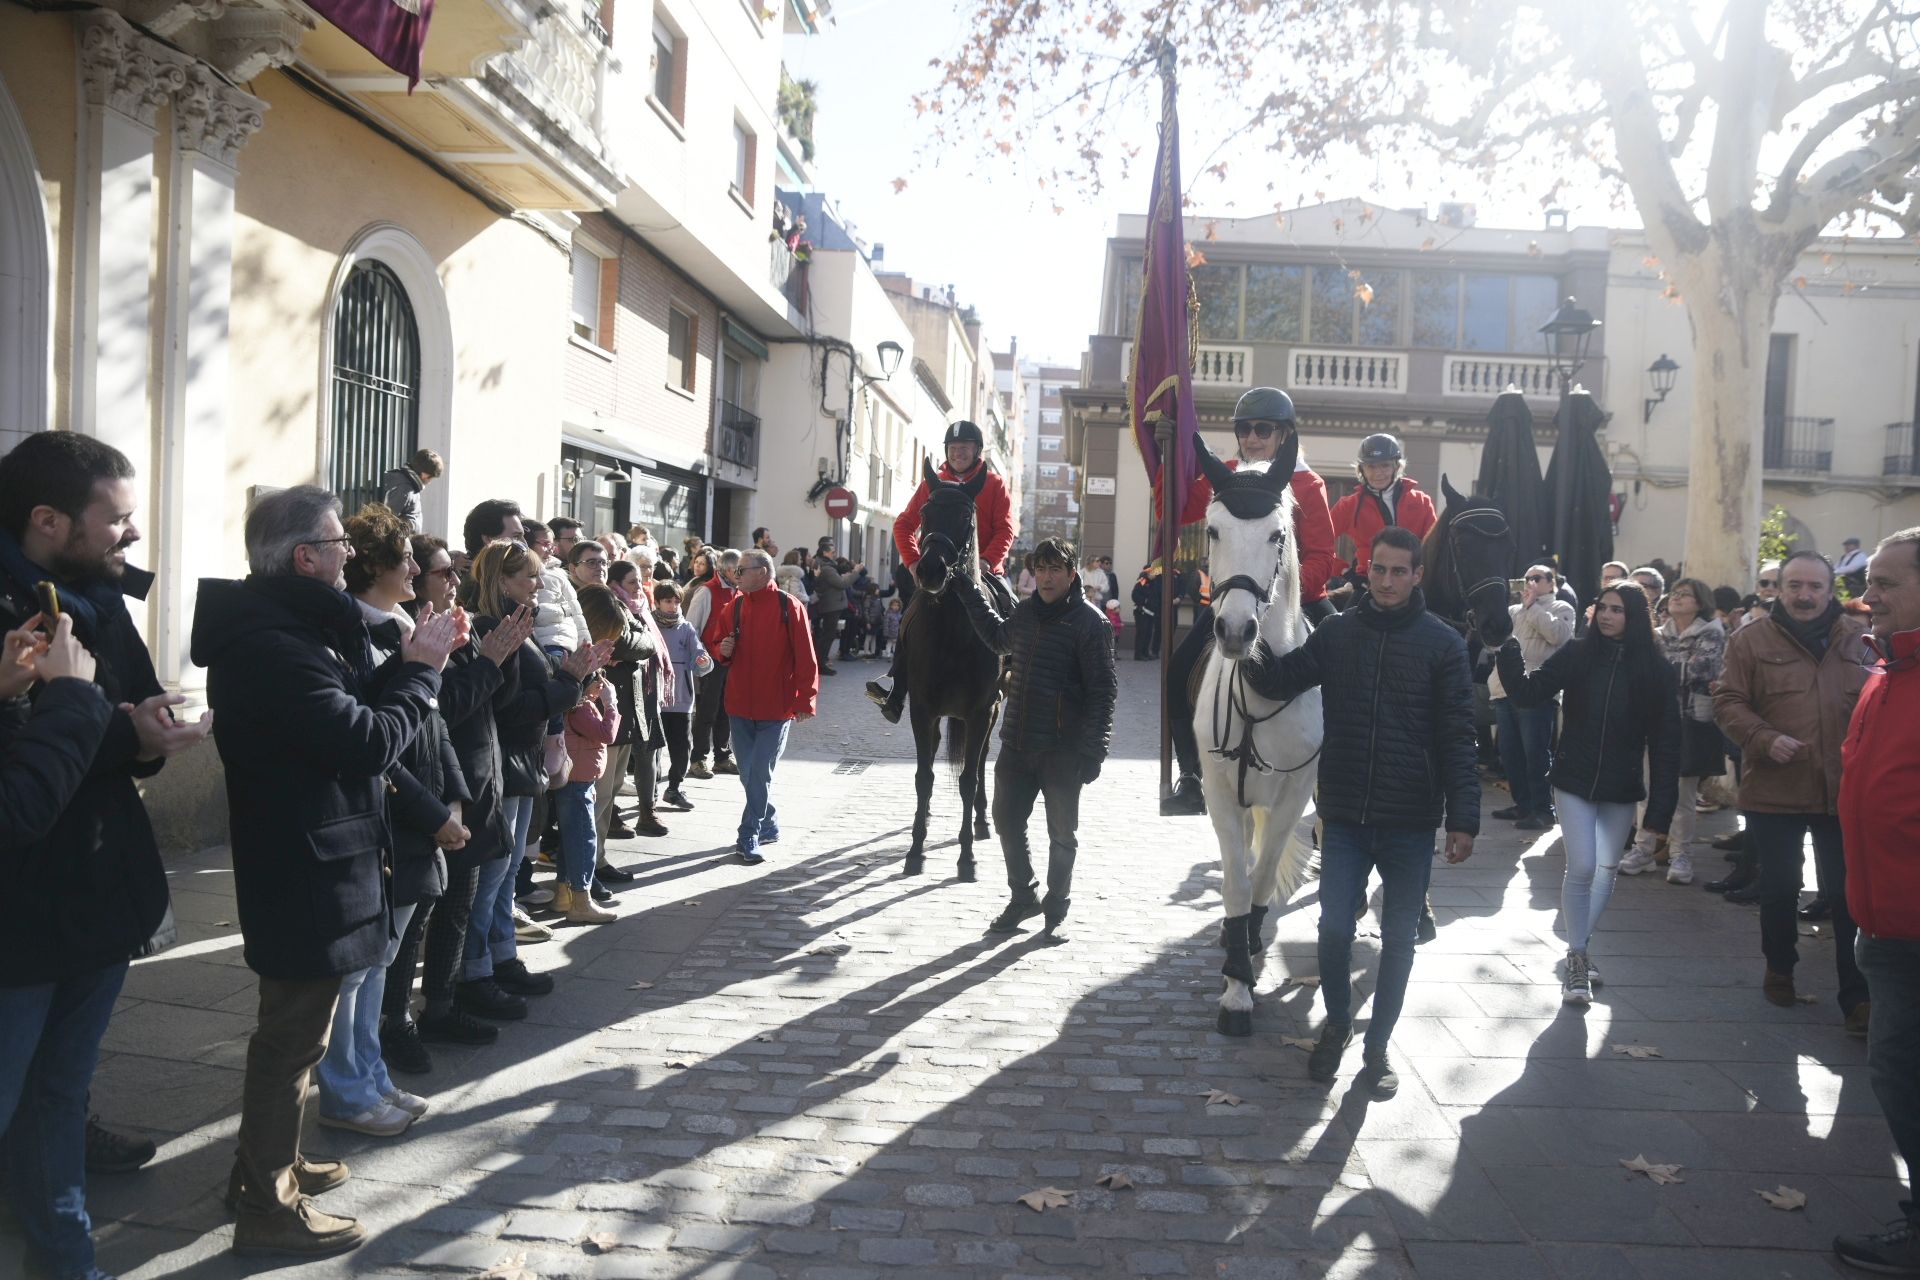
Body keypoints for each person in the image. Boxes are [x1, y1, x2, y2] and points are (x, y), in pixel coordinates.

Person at [192, 486, 458, 1257]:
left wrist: (408, 662)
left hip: (317, 858)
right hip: (302, 869)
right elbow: (367, 744)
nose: (350, 555)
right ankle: (266, 1207)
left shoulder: (295, 628)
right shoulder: (272, 644)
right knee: (289, 1041)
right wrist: (423, 674)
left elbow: (344, 709)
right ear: (306, 557)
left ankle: (270, 1167)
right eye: (340, 544)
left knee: (298, 1038)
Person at [0, 431, 212, 1277]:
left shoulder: (101, 593)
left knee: (60, 1095)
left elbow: (113, 711)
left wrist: (147, 733)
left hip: (97, 893)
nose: (131, 536)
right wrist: (84, 712)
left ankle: (68, 1260)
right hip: (21, 914)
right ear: (49, 520)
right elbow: (27, 775)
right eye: (117, 519)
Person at [1243, 527, 1476, 1098]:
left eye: (1401, 571)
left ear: (1417, 575)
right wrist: (1242, 643)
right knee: (1332, 930)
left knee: (1398, 939)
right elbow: (1283, 679)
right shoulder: (1338, 634)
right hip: (1344, 814)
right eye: (1380, 569)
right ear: (1366, 571)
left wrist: (1464, 818)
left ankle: (1377, 1049)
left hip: (1411, 820)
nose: (1389, 580)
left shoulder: (1443, 644)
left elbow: (1458, 736)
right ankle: (1339, 1026)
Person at [327, 505, 450, 1137]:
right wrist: (431, 812)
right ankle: (346, 1087)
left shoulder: (403, 625)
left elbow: (433, 727)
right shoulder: (364, 636)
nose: (414, 568)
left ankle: (369, 1075)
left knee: (381, 960)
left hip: (408, 820)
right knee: (357, 971)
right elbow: (379, 745)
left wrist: (450, 796)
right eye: (404, 558)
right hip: (387, 818)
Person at [1499, 583, 1680, 1003]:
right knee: (1582, 866)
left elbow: (1668, 743)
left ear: (1635, 617)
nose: (1607, 615)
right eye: (1603, 607)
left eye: (1617, 610)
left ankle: (1580, 946)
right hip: (1573, 778)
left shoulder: (1655, 669)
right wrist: (1505, 648)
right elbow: (1528, 693)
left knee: (1606, 869)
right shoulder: (1578, 654)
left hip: (1621, 787)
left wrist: (1660, 813)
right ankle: (1578, 957)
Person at [1714, 550, 1871, 1028]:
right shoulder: (1749, 640)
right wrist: (1764, 738)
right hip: (1775, 787)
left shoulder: (1862, 639)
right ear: (1779, 589)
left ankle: (1857, 997)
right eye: (1795, 585)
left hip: (1843, 788)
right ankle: (1780, 966)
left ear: (1831, 590)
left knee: (1848, 895)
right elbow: (1727, 700)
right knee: (1780, 887)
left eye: (1815, 587)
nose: (1805, 595)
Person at [1161, 389, 1336, 814]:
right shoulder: (1228, 477)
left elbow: (1323, 556)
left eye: (1263, 429)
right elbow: (1177, 508)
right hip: (1235, 599)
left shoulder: (1308, 484)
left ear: (1284, 434)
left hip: (1298, 601)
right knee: (1179, 671)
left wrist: (1279, 593)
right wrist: (1166, 456)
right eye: (1244, 429)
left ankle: (1330, 785)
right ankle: (1191, 776)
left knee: (1349, 672)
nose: (1252, 438)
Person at [400, 537, 532, 1066]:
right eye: (442, 573)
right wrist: (488, 660)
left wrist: (500, 654)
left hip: (478, 779)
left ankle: (444, 1001)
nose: (454, 581)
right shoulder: (412, 638)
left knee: (459, 906)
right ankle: (401, 1018)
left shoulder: (454, 630)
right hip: (444, 793)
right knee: (424, 917)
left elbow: (494, 702)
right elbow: (440, 711)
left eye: (455, 572)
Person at [463, 543, 604, 1021]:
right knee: (491, 878)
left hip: (522, 764)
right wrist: (567, 686)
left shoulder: (520, 627)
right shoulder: (492, 628)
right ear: (501, 582)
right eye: (529, 577)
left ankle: (501, 957)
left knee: (504, 878)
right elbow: (509, 707)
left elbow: (533, 694)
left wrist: (573, 680)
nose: (539, 585)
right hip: (502, 764)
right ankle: (476, 972)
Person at [1832, 527, 1920, 1274]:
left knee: (1903, 1070)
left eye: (1887, 583)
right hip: (1885, 922)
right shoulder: (1886, 671)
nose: (1869, 596)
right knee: (1897, 1071)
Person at [956, 540, 1116, 939]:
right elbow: (997, 638)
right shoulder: (1026, 612)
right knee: (1006, 821)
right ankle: (1023, 895)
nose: (1046, 577)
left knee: (1061, 833)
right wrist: (969, 591)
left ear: (1072, 574)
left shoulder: (1090, 624)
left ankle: (1056, 907)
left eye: (1055, 569)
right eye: (1040, 569)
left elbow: (1103, 691)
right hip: (1017, 743)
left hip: (1063, 750)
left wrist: (1095, 750)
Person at [865, 420, 1015, 723]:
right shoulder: (933, 482)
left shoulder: (994, 483)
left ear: (976, 450)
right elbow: (904, 525)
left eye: (965, 448)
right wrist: (913, 562)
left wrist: (986, 560)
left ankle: (1015, 677)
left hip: (983, 571)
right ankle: (895, 686)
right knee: (912, 615)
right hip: (941, 573)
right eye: (953, 448)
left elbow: (1005, 529)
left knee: (1011, 606)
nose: (958, 453)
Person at [1621, 576, 1725, 884]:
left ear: (1700, 602)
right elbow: (1644, 669)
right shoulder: (1657, 634)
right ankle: (1643, 850)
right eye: (1674, 593)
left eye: (1685, 595)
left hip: (1689, 721)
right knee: (1646, 790)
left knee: (1682, 796)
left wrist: (1662, 669)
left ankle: (1681, 855)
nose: (1676, 598)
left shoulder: (1712, 632)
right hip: (1652, 719)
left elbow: (1700, 669)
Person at [719, 549, 819, 864]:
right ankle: (769, 821)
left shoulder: (790, 607)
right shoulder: (732, 608)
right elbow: (718, 647)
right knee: (749, 773)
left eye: (741, 570)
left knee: (759, 772)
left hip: (776, 708)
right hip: (738, 705)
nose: (735, 575)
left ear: (762, 572)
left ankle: (748, 834)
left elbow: (807, 658)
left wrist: (806, 699)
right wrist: (722, 649)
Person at [1487, 564, 1575, 831]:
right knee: (1510, 753)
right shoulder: (1514, 611)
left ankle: (1543, 809)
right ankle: (1522, 805)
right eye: (1525, 578)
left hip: (1537, 692)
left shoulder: (1562, 608)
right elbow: (1493, 642)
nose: (1530, 583)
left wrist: (1533, 608)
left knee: (1535, 753)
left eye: (1536, 578)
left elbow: (1558, 636)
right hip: (1504, 690)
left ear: (1552, 583)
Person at [1328, 433, 1438, 580]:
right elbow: (1318, 541)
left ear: (1397, 466)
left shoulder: (1422, 502)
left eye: (1385, 465)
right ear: (1361, 469)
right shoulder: (1348, 505)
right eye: (1371, 466)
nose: (1378, 473)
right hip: (1366, 582)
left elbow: (1434, 548)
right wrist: (1341, 569)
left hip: (1412, 582)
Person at [652, 579, 712, 811]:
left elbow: (699, 655)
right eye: (668, 601)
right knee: (652, 751)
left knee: (682, 748)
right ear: (657, 602)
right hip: (655, 697)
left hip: (680, 698)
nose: (673, 606)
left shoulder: (686, 628)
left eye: (677, 602)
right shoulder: (649, 625)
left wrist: (703, 661)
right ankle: (650, 792)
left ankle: (674, 788)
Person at [687, 548, 741, 778]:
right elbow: (691, 629)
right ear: (727, 569)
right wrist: (698, 664)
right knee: (707, 712)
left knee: (727, 710)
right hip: (710, 662)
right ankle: (698, 759)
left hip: (732, 661)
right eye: (739, 569)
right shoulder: (706, 592)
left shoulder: (740, 591)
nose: (742, 573)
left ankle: (722, 756)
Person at [379, 448, 443, 534]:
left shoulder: (409, 485)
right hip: (400, 542)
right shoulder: (405, 489)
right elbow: (386, 521)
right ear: (425, 475)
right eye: (431, 478)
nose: (430, 482)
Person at [1131, 562, 1163, 661]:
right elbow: (1135, 595)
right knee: (1142, 633)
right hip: (1142, 612)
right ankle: (1138, 654)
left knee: (1149, 633)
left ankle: (1145, 652)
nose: (1155, 575)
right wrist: (1145, 601)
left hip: (1152, 612)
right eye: (1153, 573)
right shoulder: (1142, 582)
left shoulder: (1155, 583)